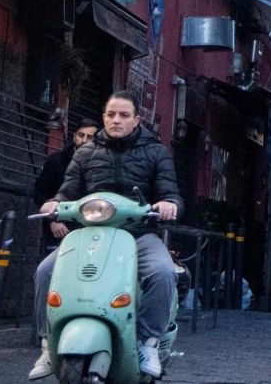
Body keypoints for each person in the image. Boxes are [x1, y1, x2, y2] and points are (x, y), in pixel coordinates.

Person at [29, 91, 183, 380]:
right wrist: (54, 203)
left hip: (137, 234)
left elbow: (170, 193)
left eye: (124, 115)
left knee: (163, 272)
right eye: (111, 114)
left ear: (137, 119)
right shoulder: (85, 152)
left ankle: (148, 343)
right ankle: (47, 343)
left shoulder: (156, 152)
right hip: (91, 234)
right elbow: (68, 190)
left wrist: (168, 205)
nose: (116, 120)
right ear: (103, 118)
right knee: (45, 271)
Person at [32, 118, 99, 254]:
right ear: (74, 136)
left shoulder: (101, 165)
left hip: (89, 231)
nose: (84, 140)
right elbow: (39, 194)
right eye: (81, 135)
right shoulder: (56, 161)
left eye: (89, 137)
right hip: (59, 230)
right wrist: (52, 221)